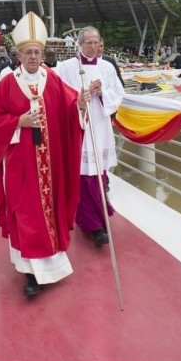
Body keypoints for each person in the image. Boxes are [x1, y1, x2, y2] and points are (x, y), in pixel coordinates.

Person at [0, 12, 88, 298]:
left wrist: (80, 104)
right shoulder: (8, 83)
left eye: (37, 52)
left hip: (50, 160)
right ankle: (30, 272)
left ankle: (51, 264)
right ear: (18, 55)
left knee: (49, 209)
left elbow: (70, 107)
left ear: (43, 54)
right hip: (21, 163)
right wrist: (18, 121)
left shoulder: (51, 78)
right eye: (28, 52)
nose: (33, 56)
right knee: (25, 212)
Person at [56, 26, 124, 247]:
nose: (93, 47)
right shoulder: (67, 67)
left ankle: (98, 220)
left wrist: (101, 93)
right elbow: (58, 95)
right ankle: (92, 224)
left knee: (99, 173)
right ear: (80, 44)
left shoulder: (107, 67)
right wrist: (80, 99)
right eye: (89, 43)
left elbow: (118, 93)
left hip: (100, 127)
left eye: (96, 42)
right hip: (79, 126)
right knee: (84, 174)